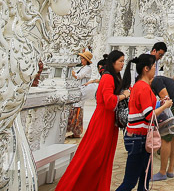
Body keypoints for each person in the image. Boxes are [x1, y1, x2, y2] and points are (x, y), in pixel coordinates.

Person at [55, 50, 129, 191]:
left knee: (102, 159)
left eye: (123, 61)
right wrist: (124, 96)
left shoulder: (113, 77)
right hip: (102, 121)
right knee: (93, 157)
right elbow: (108, 101)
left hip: (108, 121)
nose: (122, 64)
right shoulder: (108, 77)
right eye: (120, 61)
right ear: (113, 62)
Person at [115, 54, 173, 191]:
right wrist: (165, 106)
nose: (155, 69)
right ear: (146, 69)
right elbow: (148, 115)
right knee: (130, 182)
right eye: (154, 66)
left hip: (140, 137)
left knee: (144, 179)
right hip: (139, 138)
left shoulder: (140, 86)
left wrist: (160, 103)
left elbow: (145, 110)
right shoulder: (143, 87)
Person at [67, 50, 97, 138]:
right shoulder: (82, 67)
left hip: (82, 90)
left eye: (82, 59)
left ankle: (77, 131)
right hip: (78, 90)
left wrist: (71, 70)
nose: (81, 60)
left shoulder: (87, 68)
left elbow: (78, 76)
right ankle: (74, 130)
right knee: (75, 109)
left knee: (78, 109)